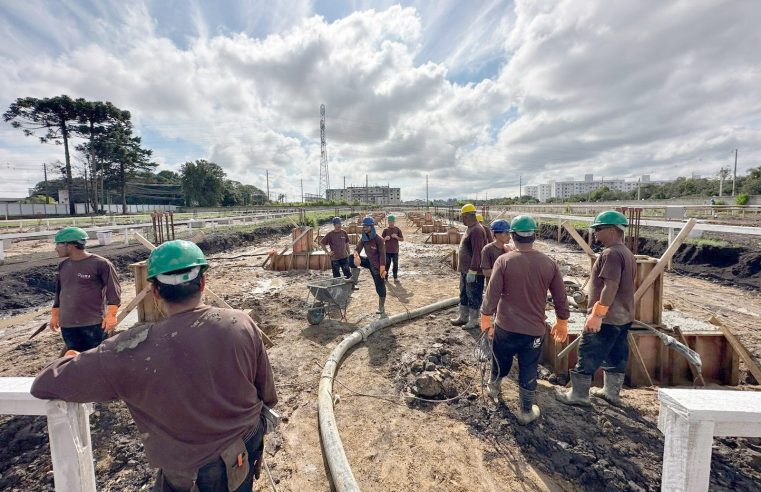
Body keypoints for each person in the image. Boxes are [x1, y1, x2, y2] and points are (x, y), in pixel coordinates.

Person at [31, 240, 278, 492]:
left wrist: (71, 360)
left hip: (195, 468)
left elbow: (45, 383)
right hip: (247, 440)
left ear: (155, 292)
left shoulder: (126, 350)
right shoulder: (241, 322)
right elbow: (267, 393)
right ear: (202, 283)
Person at [481, 215, 570, 424]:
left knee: (499, 358)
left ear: (512, 236)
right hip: (534, 332)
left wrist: (485, 318)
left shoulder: (504, 261)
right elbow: (560, 297)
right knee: (529, 367)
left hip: (506, 327)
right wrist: (562, 321)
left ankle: (493, 388)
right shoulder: (549, 263)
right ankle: (526, 411)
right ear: (534, 235)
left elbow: (491, 295)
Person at [556, 210, 636, 407]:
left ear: (612, 230)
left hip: (607, 318)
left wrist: (598, 314)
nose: (595, 234)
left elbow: (611, 286)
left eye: (598, 230)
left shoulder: (611, 254)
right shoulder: (626, 253)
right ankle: (611, 393)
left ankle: (579, 395)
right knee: (617, 353)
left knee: (588, 351)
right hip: (623, 317)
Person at [50, 226, 121, 351]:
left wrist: (111, 315)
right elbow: (60, 292)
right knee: (75, 360)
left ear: (70, 245)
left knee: (97, 361)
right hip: (68, 325)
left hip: (93, 324)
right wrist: (55, 315)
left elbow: (113, 291)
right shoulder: (63, 265)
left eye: (58, 244)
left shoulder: (100, 264)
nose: (56, 248)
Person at [450, 203, 487, 330]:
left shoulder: (477, 230)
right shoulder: (470, 228)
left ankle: (474, 320)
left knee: (473, 295)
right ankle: (463, 317)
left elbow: (478, 252)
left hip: (474, 272)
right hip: (465, 271)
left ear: (468, 216)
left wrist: (473, 270)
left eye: (462, 217)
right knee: (464, 294)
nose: (461, 219)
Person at [354, 216, 387, 315]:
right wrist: (356, 256)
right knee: (350, 258)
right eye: (364, 226)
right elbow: (357, 249)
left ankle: (381, 307)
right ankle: (353, 279)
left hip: (377, 266)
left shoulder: (379, 239)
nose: (364, 228)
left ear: (372, 227)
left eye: (366, 226)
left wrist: (382, 269)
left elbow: (382, 255)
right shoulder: (364, 238)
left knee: (379, 287)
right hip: (369, 262)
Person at [320, 217, 354, 284]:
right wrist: (328, 252)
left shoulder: (344, 233)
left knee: (347, 273)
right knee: (336, 275)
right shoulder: (330, 234)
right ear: (334, 225)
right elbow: (321, 243)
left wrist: (349, 253)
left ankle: (351, 286)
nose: (340, 225)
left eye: (340, 223)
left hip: (344, 257)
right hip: (335, 259)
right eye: (338, 224)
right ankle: (338, 288)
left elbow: (347, 243)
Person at [480, 219, 513, 284]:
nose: (509, 237)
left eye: (509, 233)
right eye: (506, 233)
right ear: (496, 234)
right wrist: (504, 272)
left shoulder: (509, 249)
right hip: (494, 287)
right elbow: (485, 272)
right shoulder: (487, 249)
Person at [382, 214, 404, 282]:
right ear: (388, 222)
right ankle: (385, 278)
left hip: (395, 251)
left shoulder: (397, 229)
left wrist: (396, 237)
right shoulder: (385, 230)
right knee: (387, 264)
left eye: (392, 221)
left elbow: (402, 239)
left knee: (395, 264)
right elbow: (381, 240)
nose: (391, 223)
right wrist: (385, 238)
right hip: (387, 251)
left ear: (394, 222)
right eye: (389, 221)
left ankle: (395, 277)